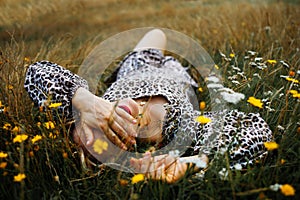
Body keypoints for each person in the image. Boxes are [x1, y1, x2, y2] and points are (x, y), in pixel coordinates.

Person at [24, 29, 273, 183]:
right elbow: (256, 131)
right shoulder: (182, 131)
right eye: (111, 133)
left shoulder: (94, 104)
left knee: (157, 33)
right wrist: (193, 163)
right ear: (130, 147)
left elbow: (36, 72)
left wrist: (84, 101)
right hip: (179, 78)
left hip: (137, 67)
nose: (107, 117)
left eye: (96, 120)